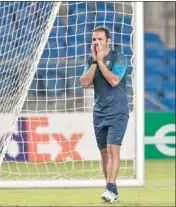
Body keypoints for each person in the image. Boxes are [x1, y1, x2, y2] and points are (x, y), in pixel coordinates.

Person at [80, 27, 129, 203]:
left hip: (117, 110)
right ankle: (112, 190)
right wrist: (94, 62)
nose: (96, 43)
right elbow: (85, 83)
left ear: (108, 41)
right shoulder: (90, 60)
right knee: (104, 154)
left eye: (100, 39)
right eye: (94, 40)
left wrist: (101, 62)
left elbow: (115, 80)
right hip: (99, 112)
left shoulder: (119, 58)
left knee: (112, 149)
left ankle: (109, 188)